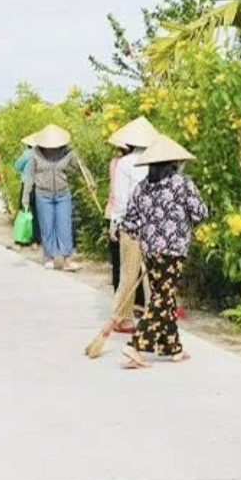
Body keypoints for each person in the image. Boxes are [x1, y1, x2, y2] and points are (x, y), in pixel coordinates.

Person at [119, 134, 208, 369]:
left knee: (164, 295)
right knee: (162, 298)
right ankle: (135, 346)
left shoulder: (142, 187)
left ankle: (172, 347)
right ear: (174, 162)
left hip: (150, 250)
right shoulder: (182, 184)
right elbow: (200, 213)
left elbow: (130, 222)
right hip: (173, 250)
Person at [105, 116, 161, 332]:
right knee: (153, 273)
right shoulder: (159, 163)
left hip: (131, 225)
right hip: (155, 226)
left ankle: (123, 318)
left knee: (129, 271)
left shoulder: (125, 163)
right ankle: (154, 316)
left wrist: (115, 222)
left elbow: (120, 198)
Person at [21, 124, 91, 271]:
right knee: (47, 226)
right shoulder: (35, 154)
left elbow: (81, 168)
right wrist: (25, 198)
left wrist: (89, 181)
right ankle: (49, 257)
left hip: (63, 194)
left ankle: (67, 260)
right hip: (43, 194)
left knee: (65, 226)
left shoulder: (68, 153)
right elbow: (29, 176)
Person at [12, 133, 41, 248]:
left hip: (27, 185)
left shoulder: (27, 154)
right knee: (36, 213)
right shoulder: (42, 155)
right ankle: (35, 241)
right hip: (39, 186)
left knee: (24, 209)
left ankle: (21, 239)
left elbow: (17, 166)